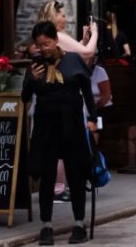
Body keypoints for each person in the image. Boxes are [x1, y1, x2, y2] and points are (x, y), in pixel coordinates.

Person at [23, 20, 98, 247]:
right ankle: (46, 225)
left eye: (47, 43)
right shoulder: (35, 68)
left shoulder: (73, 61)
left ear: (56, 40)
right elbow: (25, 98)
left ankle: (78, 223)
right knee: (47, 176)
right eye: (39, 45)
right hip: (47, 127)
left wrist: (93, 120)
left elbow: (87, 91)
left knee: (76, 175)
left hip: (72, 125)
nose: (43, 49)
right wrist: (32, 81)